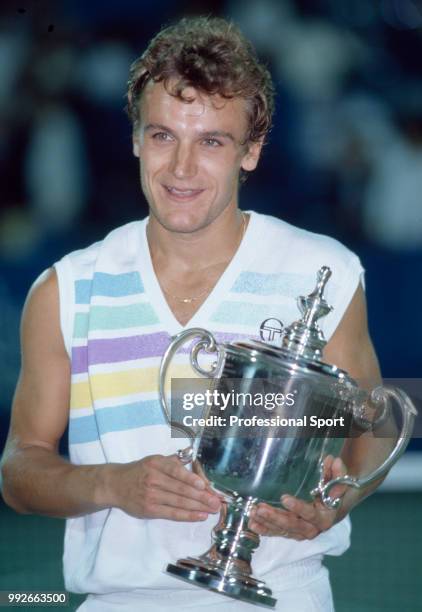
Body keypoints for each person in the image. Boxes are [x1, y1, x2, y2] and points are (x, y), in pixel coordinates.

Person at [1, 16, 384, 612]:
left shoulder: (322, 271)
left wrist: (333, 502)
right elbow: (19, 470)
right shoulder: (66, 289)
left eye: (211, 141)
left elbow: (376, 423)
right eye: (162, 136)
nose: (181, 168)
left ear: (251, 151)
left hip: (282, 596)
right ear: (134, 137)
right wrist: (111, 484)